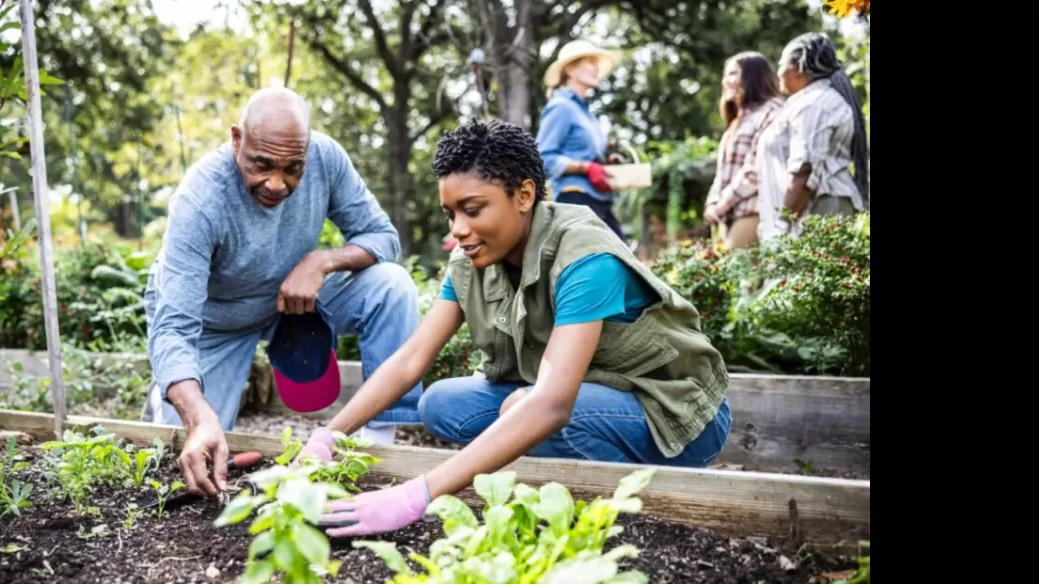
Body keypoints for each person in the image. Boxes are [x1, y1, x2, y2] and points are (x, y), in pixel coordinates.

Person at [299, 119, 732, 538]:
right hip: (586, 394)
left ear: (524, 194)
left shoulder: (585, 255)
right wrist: (328, 435)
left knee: (530, 411)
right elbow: (412, 359)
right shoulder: (472, 260)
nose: (459, 230)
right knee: (441, 404)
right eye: (450, 214)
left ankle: (638, 500)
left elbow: (551, 405)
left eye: (473, 210)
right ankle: (555, 469)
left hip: (672, 413)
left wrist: (417, 494)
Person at [142, 87, 423, 497]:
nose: (277, 183)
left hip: (291, 302)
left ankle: (380, 445)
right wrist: (197, 416)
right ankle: (167, 406)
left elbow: (382, 237)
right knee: (181, 457)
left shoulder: (326, 158)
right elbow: (172, 328)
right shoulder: (201, 199)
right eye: (262, 164)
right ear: (237, 139)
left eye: (294, 168)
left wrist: (321, 261)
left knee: (392, 285)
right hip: (214, 322)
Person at [756, 32, 869, 242]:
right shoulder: (813, 101)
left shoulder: (814, 105)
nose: (778, 72)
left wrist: (782, 227)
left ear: (798, 67)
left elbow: (804, 172)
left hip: (819, 210)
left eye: (781, 64)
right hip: (815, 209)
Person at [535, 39, 629, 241]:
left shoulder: (587, 114)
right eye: (591, 62)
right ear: (571, 69)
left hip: (599, 200)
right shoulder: (561, 107)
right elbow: (542, 158)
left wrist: (608, 162)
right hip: (575, 199)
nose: (597, 68)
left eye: (597, 63)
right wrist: (585, 168)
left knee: (623, 259)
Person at [703, 51, 784, 249]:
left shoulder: (771, 111)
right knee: (724, 275)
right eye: (726, 75)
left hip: (754, 211)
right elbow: (723, 173)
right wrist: (712, 203)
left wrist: (722, 204)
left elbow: (755, 169)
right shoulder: (737, 121)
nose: (725, 81)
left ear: (752, 77)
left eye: (732, 74)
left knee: (737, 275)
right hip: (729, 214)